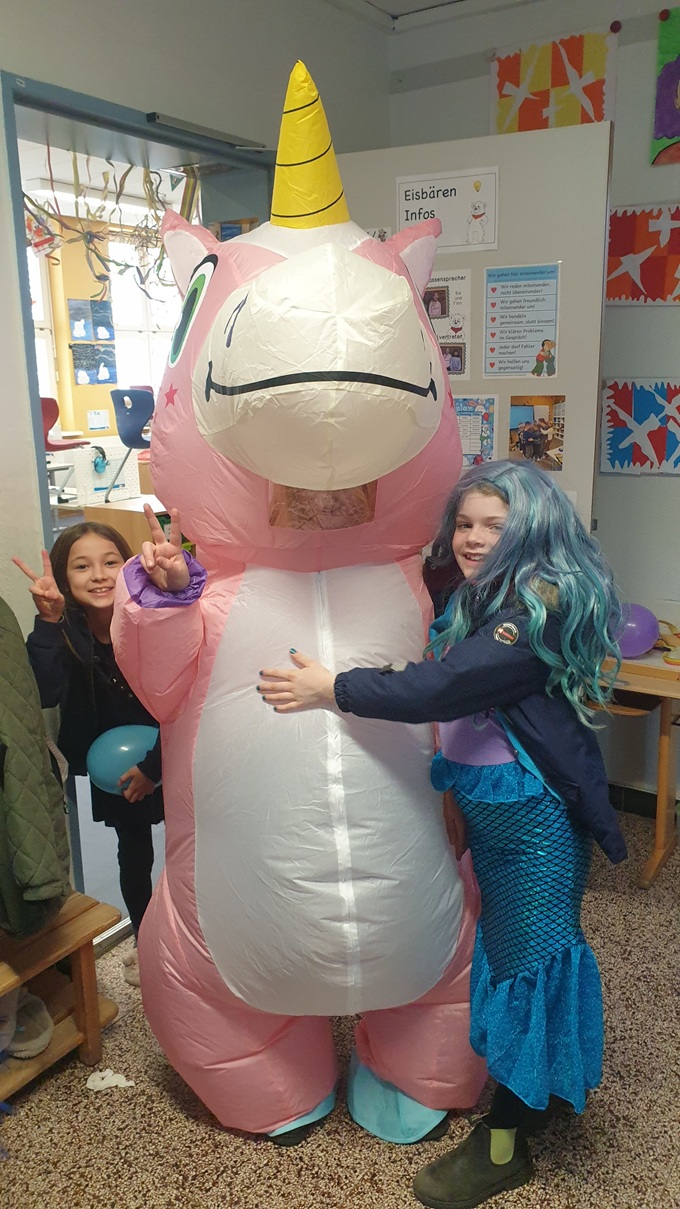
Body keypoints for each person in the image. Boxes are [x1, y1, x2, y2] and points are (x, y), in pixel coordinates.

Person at [257, 460, 626, 1208]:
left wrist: (334, 688)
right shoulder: (485, 590)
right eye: (464, 523)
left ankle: (505, 1144)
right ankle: (542, 1086)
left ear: (533, 530)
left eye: (495, 525)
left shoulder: (537, 603)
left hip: (534, 824)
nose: (473, 538)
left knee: (527, 965)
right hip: (496, 815)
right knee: (515, 955)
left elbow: (449, 685)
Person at [13, 522, 167, 987]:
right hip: (116, 768)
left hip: (169, 753)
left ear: (129, 565)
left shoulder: (150, 619)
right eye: (82, 566)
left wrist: (155, 767)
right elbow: (44, 690)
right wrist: (47, 622)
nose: (98, 575)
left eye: (110, 562)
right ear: (64, 577)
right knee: (134, 854)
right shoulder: (63, 633)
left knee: (190, 849)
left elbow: (182, 701)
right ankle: (145, 941)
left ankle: (191, 939)